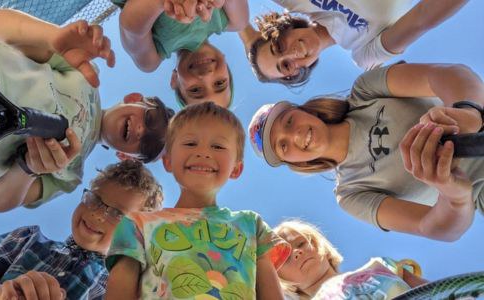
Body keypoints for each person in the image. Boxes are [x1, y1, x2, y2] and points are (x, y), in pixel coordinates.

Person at [0, 9, 174, 212]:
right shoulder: (86, 74)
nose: (142, 131)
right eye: (152, 119)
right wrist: (52, 38)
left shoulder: (70, 176)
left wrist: (29, 167)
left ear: (127, 156)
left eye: (149, 145)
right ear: (134, 98)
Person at [248, 62, 484, 241]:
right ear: (294, 163)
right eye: (283, 146)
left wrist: (471, 113)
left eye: (288, 121)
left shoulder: (365, 91)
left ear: (303, 110)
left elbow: (444, 74)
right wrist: (455, 195)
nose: (295, 135)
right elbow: (434, 228)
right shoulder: (350, 194)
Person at [104, 102, 291, 299]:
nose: (203, 152)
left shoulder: (252, 225)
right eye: (190, 143)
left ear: (236, 169)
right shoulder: (137, 225)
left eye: (217, 146)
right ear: (168, 160)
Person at [0, 160, 164, 300]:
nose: (98, 214)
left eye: (118, 214)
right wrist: (5, 295)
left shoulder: (120, 288)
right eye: (96, 199)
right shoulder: (27, 238)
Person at [238, 0, 468, 87]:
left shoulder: (297, 2)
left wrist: (242, 29)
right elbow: (422, 18)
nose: (292, 54)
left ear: (279, 30)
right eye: (286, 66)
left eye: (278, 47)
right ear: (299, 71)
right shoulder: (364, 54)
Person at [112, 0, 249, 107]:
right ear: (226, 64)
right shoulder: (237, 20)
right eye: (219, 83)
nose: (206, 76)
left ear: (174, 80)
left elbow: (130, 26)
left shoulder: (151, 59)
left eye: (195, 90)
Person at [275, 220, 427, 299]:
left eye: (301, 243)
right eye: (286, 257)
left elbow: (439, 290)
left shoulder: (380, 267)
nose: (297, 252)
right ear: (281, 280)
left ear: (320, 246)